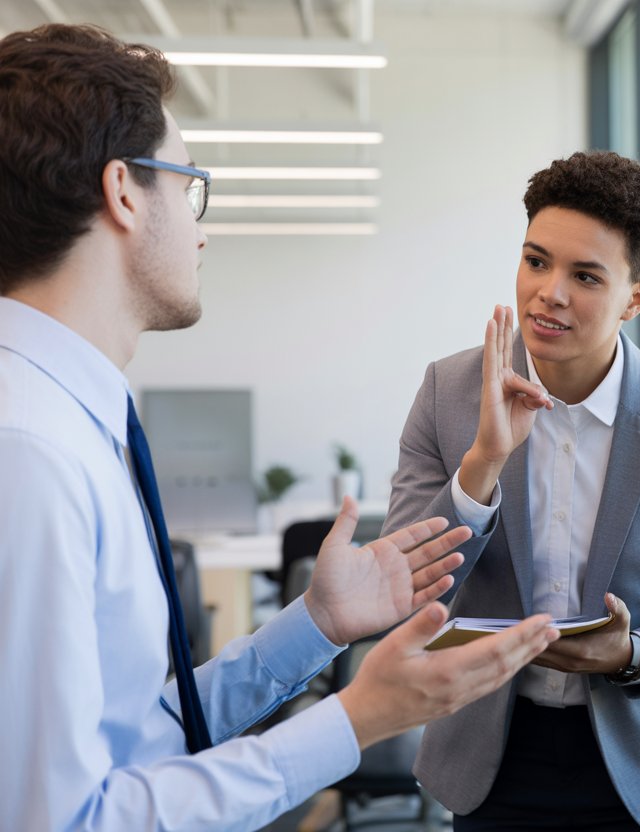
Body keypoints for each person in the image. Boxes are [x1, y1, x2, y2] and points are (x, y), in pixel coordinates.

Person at [0, 24, 559, 832]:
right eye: (187, 184)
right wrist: (355, 720)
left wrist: (316, 627)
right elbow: (61, 821)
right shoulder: (30, 453)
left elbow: (132, 742)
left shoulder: (64, 424)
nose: (201, 227)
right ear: (123, 192)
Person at [383, 150, 640, 831]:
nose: (549, 292)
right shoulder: (449, 394)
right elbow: (405, 590)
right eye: (536, 261)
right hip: (491, 753)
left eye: (585, 276)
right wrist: (484, 463)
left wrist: (633, 654)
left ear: (635, 298)